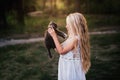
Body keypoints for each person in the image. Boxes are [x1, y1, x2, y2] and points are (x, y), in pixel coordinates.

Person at [48, 12, 91, 80]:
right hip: (66, 67)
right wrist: (51, 38)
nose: (66, 26)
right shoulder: (71, 37)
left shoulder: (75, 39)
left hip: (71, 69)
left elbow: (61, 51)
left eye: (68, 24)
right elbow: (58, 48)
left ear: (74, 26)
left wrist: (54, 36)